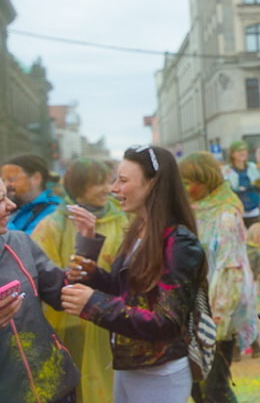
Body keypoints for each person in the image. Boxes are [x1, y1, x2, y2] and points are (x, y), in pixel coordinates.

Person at [59, 145, 207, 403]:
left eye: (123, 180)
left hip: (160, 372)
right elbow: (124, 291)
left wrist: (94, 304)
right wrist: (89, 256)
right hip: (131, 364)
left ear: (153, 184)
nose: (113, 188)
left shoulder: (179, 243)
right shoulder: (139, 230)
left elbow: (167, 322)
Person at [32, 158, 130, 403]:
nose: (106, 189)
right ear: (77, 187)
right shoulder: (53, 225)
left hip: (113, 316)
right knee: (78, 383)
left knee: (111, 383)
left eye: (107, 182)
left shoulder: (123, 218)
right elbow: (44, 276)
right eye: (96, 184)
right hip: (69, 321)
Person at [0, 177, 102, 403]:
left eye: (7, 195)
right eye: (0, 200)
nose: (11, 205)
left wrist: (86, 245)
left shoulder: (19, 242)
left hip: (56, 386)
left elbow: (64, 292)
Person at [179, 151, 257, 403]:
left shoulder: (225, 214)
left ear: (204, 182)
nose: (184, 189)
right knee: (196, 387)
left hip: (218, 312)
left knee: (214, 388)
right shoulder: (194, 208)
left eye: (187, 183)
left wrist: (218, 320)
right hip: (195, 310)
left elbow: (230, 269)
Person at [2, 154, 63, 234]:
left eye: (12, 179)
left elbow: (30, 243)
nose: (6, 185)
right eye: (3, 180)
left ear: (36, 178)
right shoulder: (19, 207)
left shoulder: (53, 211)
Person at [222, 141, 260, 229]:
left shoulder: (252, 167)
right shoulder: (226, 170)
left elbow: (259, 186)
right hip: (235, 212)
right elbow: (225, 191)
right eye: (239, 150)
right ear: (232, 154)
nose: (242, 152)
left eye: (244, 150)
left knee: (255, 239)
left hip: (253, 210)